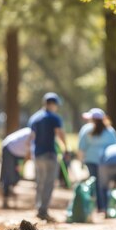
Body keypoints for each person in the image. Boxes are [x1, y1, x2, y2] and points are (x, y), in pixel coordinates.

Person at [27, 92, 68, 222]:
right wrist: (65, 148)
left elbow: (30, 137)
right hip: (50, 154)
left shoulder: (34, 118)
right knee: (49, 183)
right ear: (53, 104)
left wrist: (28, 152)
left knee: (40, 182)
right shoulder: (54, 118)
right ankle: (43, 211)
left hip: (37, 155)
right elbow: (60, 134)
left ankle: (38, 207)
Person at [77, 108, 116, 212]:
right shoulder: (110, 130)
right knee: (104, 184)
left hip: (91, 160)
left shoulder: (86, 129)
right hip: (106, 161)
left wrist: (81, 162)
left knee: (94, 183)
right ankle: (105, 207)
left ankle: (95, 207)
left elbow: (81, 148)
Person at [0, 127, 31, 209]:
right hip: (9, 147)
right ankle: (5, 199)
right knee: (9, 174)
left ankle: (10, 188)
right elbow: (29, 153)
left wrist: (22, 166)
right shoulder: (34, 133)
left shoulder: (34, 132)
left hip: (18, 152)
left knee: (18, 174)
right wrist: (23, 164)